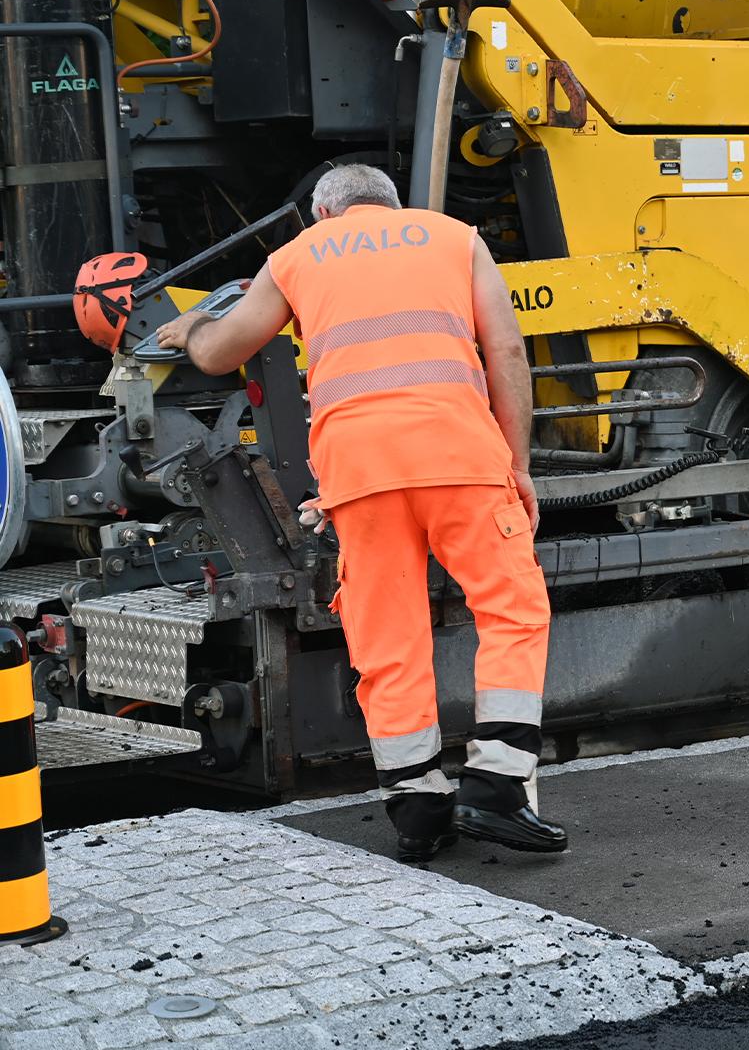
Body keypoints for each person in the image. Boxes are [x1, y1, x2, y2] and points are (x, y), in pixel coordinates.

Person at [153, 164, 566, 861]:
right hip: (458, 459)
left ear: (322, 211)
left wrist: (192, 326)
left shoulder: (294, 257)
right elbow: (506, 350)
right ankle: (495, 786)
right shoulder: (453, 237)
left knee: (387, 634)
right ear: (393, 205)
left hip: (359, 475)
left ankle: (415, 805)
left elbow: (223, 352)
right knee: (511, 610)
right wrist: (518, 465)